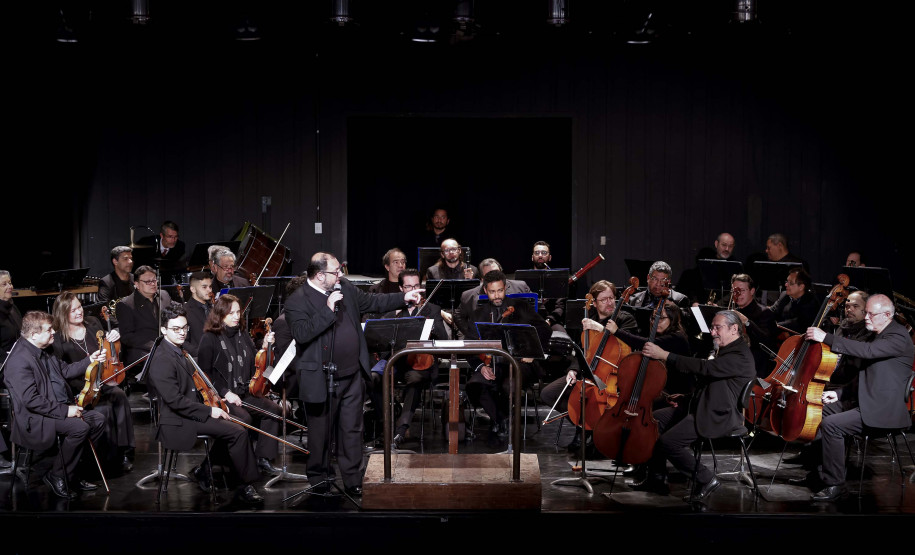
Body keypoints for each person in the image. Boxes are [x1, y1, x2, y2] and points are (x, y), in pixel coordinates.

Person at [283, 252, 423, 496]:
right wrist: (327, 309)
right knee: (321, 434)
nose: (340, 276)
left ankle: (352, 479)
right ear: (318, 275)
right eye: (335, 272)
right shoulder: (297, 300)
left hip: (351, 375)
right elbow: (302, 334)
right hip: (321, 378)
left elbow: (372, 302)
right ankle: (320, 480)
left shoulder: (344, 286)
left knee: (351, 431)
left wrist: (404, 298)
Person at [146, 302, 264, 505]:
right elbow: (175, 401)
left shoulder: (179, 351)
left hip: (190, 412)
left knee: (239, 422)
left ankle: (211, 471)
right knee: (237, 432)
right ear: (164, 330)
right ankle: (245, 485)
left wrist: (218, 399)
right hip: (179, 420)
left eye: (184, 328)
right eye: (176, 329)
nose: (182, 333)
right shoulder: (162, 358)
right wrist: (210, 411)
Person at [801, 293, 915, 501]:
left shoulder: (897, 337)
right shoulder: (878, 334)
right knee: (818, 409)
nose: (867, 318)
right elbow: (864, 378)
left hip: (883, 411)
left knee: (832, 425)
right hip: (865, 402)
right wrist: (838, 393)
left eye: (872, 314)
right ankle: (819, 474)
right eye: (867, 313)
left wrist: (825, 337)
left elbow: (868, 351)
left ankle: (834, 483)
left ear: (888, 314)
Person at [635, 310, 757, 501]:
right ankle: (656, 477)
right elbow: (713, 386)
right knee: (654, 421)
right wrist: (686, 398)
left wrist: (665, 355)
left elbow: (705, 369)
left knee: (669, 442)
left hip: (718, 414)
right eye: (712, 327)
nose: (713, 331)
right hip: (702, 405)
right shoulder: (727, 349)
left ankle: (706, 479)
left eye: (718, 327)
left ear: (734, 329)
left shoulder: (739, 355)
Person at [3, 311, 107, 498]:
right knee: (79, 427)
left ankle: (71, 473)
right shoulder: (19, 361)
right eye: (49, 329)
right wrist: (65, 410)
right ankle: (57, 475)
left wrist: (89, 360)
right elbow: (31, 400)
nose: (54, 332)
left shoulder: (45, 349)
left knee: (97, 419)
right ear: (34, 334)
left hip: (53, 407)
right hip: (35, 418)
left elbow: (65, 371)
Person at [539, 280, 640, 452]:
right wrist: (573, 370)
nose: (609, 303)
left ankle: (593, 434)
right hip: (588, 373)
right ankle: (585, 426)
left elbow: (627, 346)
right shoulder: (589, 320)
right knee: (548, 394)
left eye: (611, 298)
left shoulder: (625, 319)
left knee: (595, 400)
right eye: (603, 300)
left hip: (612, 377)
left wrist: (600, 328)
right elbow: (583, 352)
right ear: (593, 303)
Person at [197, 294, 282, 476]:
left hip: (244, 393)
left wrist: (265, 348)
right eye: (231, 313)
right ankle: (211, 467)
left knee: (273, 410)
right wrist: (225, 392)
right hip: (220, 397)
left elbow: (254, 364)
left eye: (238, 312)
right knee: (243, 419)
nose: (236, 316)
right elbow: (204, 374)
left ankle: (263, 459)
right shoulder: (210, 338)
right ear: (220, 315)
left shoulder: (242, 334)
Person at [50, 292, 135, 473]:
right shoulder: (58, 339)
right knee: (103, 408)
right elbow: (62, 372)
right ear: (62, 314)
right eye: (72, 310)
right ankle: (102, 460)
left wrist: (114, 334)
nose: (79, 312)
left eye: (79, 307)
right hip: (79, 388)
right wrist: (89, 361)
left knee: (119, 396)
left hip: (101, 380)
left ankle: (125, 451)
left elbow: (111, 339)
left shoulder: (93, 323)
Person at [464, 270, 551, 438]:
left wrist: (533, 352)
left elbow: (545, 330)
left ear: (505, 288)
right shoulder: (478, 314)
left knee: (508, 385)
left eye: (500, 290)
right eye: (492, 291)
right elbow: (469, 345)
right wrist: (481, 367)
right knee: (474, 385)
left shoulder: (520, 306)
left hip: (521, 363)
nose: (497, 296)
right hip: (492, 363)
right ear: (485, 291)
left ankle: (503, 423)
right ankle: (502, 419)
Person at [375, 269, 448, 447]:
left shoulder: (432, 309)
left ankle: (401, 430)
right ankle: (387, 423)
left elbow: (444, 342)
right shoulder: (394, 310)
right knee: (374, 378)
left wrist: (431, 329)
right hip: (397, 363)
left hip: (422, 366)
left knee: (414, 378)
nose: (413, 289)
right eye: (408, 286)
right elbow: (381, 343)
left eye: (416, 285)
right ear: (401, 288)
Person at [453, 258, 531, 339]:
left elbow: (535, 307)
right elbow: (458, 316)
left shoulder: (521, 286)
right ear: (482, 280)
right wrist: (474, 335)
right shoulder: (469, 295)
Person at [117, 265, 174, 365]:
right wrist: (154, 346)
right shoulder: (126, 304)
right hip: (142, 350)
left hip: (167, 344)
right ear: (137, 284)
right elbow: (127, 336)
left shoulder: (164, 295)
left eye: (154, 280)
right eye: (148, 282)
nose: (152, 284)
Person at [729, 274, 778, 377]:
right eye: (735, 291)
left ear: (752, 291)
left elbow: (766, 342)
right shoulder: (733, 311)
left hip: (755, 365)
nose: (738, 295)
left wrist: (747, 322)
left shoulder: (764, 312)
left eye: (742, 290)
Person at [628, 261, 691, 329]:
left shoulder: (680, 299)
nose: (658, 284)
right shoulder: (633, 299)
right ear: (648, 278)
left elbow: (685, 325)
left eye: (663, 280)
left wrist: (672, 306)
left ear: (668, 282)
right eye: (655, 279)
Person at [0, 270, 18, 467]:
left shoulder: (13, 309)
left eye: (10, 283)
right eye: (4, 284)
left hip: (14, 365)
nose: (10, 287)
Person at [529, 241, 567, 332]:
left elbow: (560, 307)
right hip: (529, 320)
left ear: (550, 257)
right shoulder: (523, 279)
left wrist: (549, 320)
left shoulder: (558, 280)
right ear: (532, 257)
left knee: (562, 336)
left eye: (544, 253)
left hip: (551, 321)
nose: (540, 255)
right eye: (537, 253)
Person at [768, 267, 818, 334]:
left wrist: (774, 325)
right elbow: (772, 311)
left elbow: (796, 324)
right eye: (786, 281)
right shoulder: (784, 295)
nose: (786, 285)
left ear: (801, 287)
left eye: (790, 283)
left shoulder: (811, 303)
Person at [182, 271, 214, 358]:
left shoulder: (213, 307)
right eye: (204, 287)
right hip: (199, 360)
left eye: (210, 286)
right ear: (193, 289)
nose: (209, 290)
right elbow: (183, 341)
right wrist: (199, 353)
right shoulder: (185, 311)